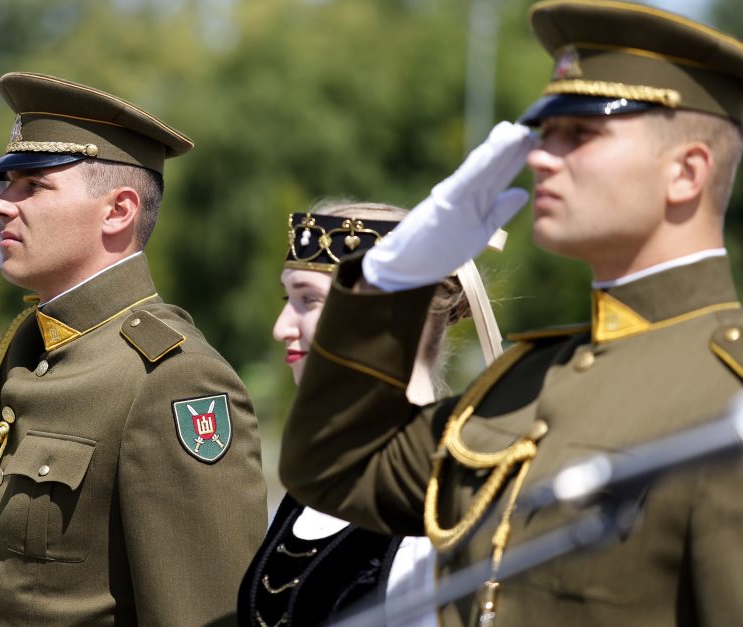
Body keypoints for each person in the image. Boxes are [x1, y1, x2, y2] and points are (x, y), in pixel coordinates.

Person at [279, 2, 743, 626]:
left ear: (686, 172)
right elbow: (333, 469)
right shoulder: (526, 381)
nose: (543, 158)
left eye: (580, 135)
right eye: (544, 134)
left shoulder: (726, 391)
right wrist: (393, 279)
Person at [0, 72, 267, 626]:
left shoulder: (173, 380)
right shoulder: (31, 347)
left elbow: (201, 613)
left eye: (32, 187)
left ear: (118, 211)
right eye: (4, 184)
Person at [239, 201, 506, 627]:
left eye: (308, 300)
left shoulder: (446, 494)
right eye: (287, 298)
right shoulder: (314, 481)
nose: (280, 325)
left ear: (389, 315)